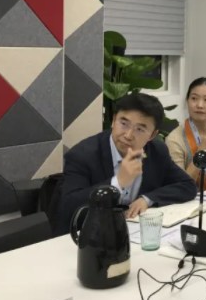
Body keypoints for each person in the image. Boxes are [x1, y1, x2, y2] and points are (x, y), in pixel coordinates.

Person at [57, 93, 197, 235]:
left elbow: (188, 185)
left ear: (152, 135)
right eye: (124, 124)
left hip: (135, 233)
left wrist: (147, 200)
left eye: (139, 129)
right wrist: (117, 183)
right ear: (113, 121)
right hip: (89, 236)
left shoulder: (157, 151)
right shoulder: (83, 154)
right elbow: (68, 207)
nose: (128, 135)